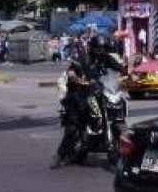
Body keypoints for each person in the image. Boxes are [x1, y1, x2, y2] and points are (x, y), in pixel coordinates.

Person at [52, 34, 124, 168]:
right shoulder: (83, 57)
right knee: (72, 128)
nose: (101, 51)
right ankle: (60, 154)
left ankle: (105, 140)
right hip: (79, 94)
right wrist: (76, 78)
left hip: (97, 92)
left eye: (104, 48)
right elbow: (71, 71)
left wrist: (130, 72)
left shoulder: (105, 58)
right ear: (93, 47)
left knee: (112, 107)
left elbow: (119, 68)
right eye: (99, 48)